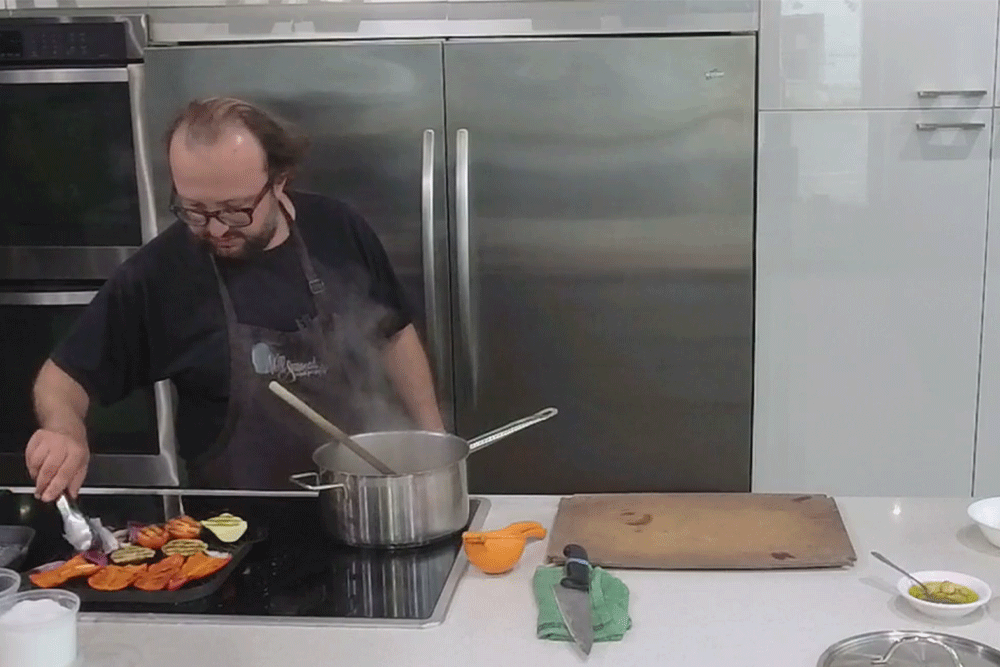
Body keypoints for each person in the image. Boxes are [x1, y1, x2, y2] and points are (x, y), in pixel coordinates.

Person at [25, 97, 445, 500]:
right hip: (235, 529)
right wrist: (63, 430)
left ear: (278, 180)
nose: (217, 229)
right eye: (195, 210)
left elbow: (394, 334)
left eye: (235, 209)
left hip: (360, 505)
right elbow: (61, 380)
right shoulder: (160, 275)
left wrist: (435, 445)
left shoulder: (338, 229)